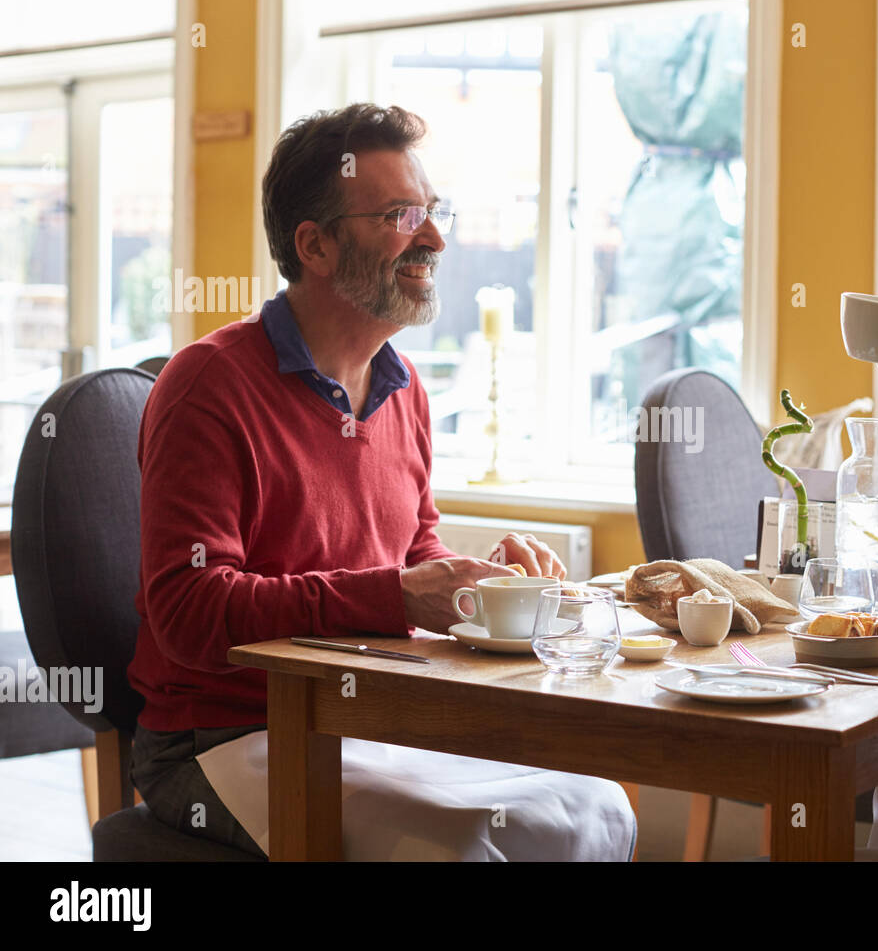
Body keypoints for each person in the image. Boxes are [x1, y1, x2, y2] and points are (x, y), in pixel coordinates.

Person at [126, 103, 635, 860]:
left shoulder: (404, 389)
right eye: (401, 215)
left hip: (366, 721)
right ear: (316, 245)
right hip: (224, 739)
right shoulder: (210, 384)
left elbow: (411, 552)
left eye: (433, 213)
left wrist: (483, 582)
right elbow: (189, 610)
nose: (432, 237)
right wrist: (396, 595)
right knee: (461, 850)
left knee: (597, 808)